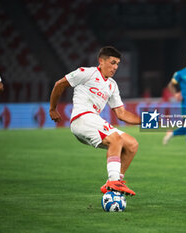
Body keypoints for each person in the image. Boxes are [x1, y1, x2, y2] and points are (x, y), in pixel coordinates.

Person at [49, 46, 140, 196]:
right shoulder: (87, 73)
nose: (115, 67)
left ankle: (116, 181)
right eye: (112, 62)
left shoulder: (112, 85)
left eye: (117, 64)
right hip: (82, 119)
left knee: (131, 144)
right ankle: (113, 181)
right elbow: (60, 84)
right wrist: (53, 109)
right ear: (101, 61)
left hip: (92, 121)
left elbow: (122, 114)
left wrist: (145, 120)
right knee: (115, 139)